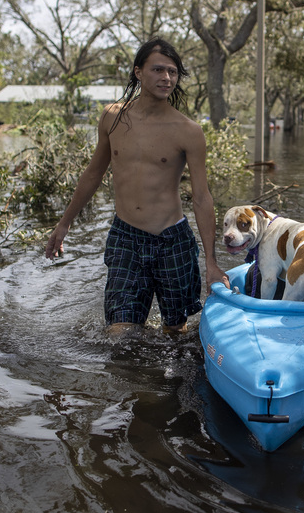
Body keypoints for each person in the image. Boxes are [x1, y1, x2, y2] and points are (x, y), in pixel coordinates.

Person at [45, 37, 226, 335]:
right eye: (158, 70)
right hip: (126, 237)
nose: (166, 78)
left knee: (175, 334)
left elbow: (202, 197)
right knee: (119, 333)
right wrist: (64, 224)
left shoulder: (189, 131)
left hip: (173, 240)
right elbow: (92, 174)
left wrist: (211, 262)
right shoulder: (113, 118)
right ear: (138, 72)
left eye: (172, 71)